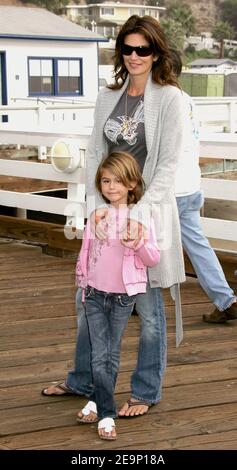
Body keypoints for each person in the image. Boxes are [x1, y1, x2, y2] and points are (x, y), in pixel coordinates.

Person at [42, 15, 185, 418]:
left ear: (157, 52)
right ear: (120, 51)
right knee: (88, 299)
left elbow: (167, 165)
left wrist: (138, 214)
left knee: (150, 310)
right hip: (107, 214)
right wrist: (95, 206)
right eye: (128, 48)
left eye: (144, 48)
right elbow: (94, 155)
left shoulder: (169, 98)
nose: (136, 56)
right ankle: (82, 379)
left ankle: (145, 390)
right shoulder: (109, 97)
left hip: (147, 215)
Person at [75, 151, 160, 440]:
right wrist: (83, 284)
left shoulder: (141, 216)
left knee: (109, 355)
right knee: (100, 355)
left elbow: (153, 258)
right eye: (105, 180)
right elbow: (86, 252)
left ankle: (95, 401)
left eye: (118, 181)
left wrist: (137, 243)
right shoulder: (97, 215)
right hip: (95, 294)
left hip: (123, 297)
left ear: (133, 184)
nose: (111, 187)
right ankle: (107, 414)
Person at [170, 49, 237, 324]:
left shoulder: (164, 101)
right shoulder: (187, 100)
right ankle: (226, 300)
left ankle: (138, 299)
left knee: (144, 242)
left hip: (168, 187)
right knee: (198, 246)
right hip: (189, 183)